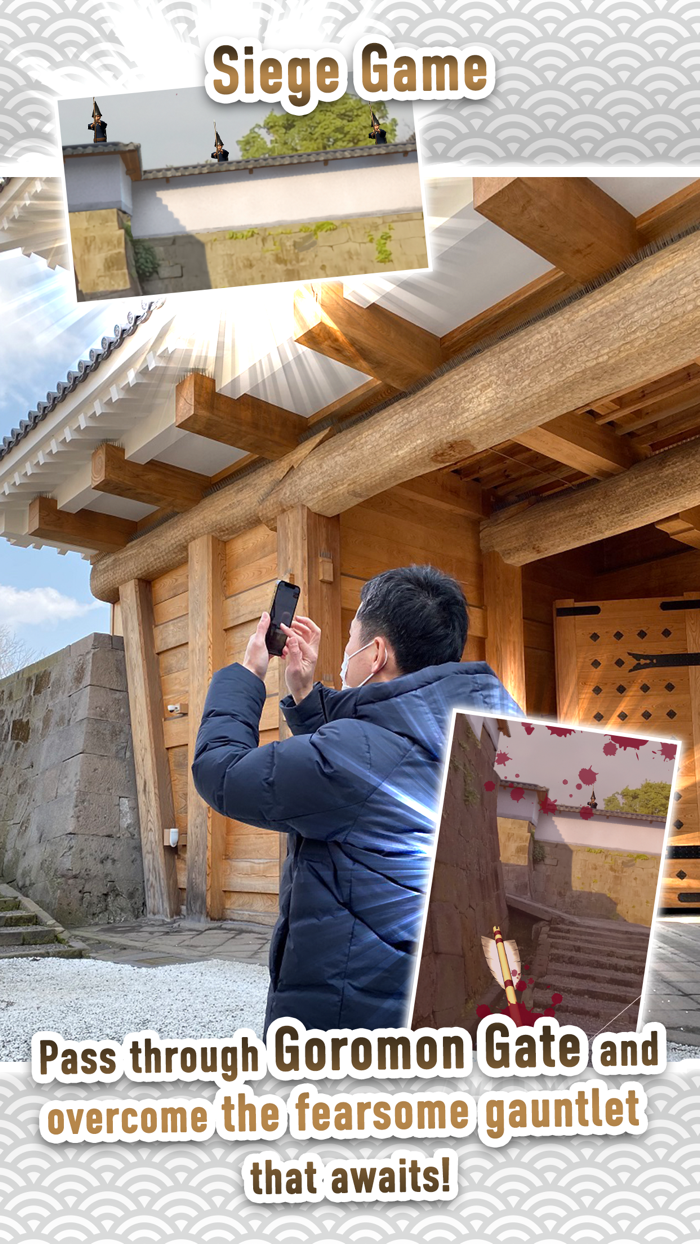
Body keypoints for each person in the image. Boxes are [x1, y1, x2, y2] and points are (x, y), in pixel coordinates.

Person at [192, 564, 521, 1033]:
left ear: (376, 653)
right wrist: (305, 696)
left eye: (351, 640)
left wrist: (248, 674)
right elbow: (363, 769)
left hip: (347, 1016)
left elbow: (221, 772)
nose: (345, 654)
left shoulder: (354, 759)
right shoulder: (481, 737)